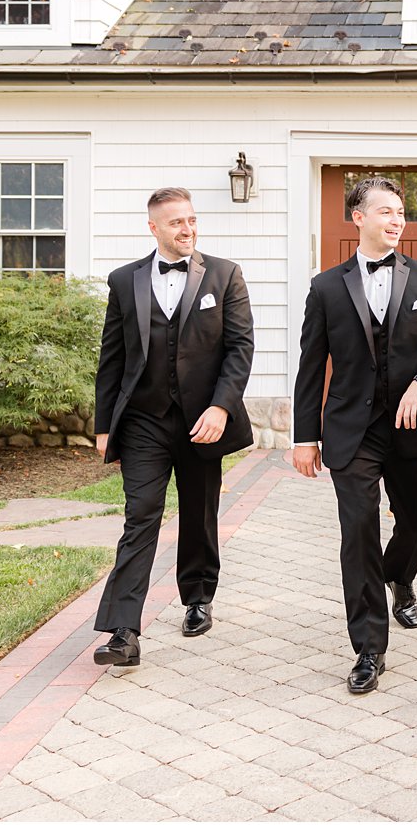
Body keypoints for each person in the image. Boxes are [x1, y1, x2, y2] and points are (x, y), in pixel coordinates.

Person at [287, 176, 417, 694]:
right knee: (358, 529)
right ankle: (368, 648)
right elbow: (311, 366)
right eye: (385, 211)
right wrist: (304, 437)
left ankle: (400, 576)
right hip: (351, 431)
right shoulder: (325, 286)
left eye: (400, 211)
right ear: (357, 218)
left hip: (411, 428)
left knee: (415, 518)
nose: (396, 219)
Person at [92, 187, 255, 667]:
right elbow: (112, 358)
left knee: (200, 512)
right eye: (176, 223)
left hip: (203, 419)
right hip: (144, 420)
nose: (187, 229)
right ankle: (123, 632)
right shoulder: (125, 280)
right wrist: (105, 426)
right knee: (140, 517)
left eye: (191, 220)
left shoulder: (225, 275)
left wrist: (222, 408)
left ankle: (198, 597)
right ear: (154, 228)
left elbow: (239, 349)